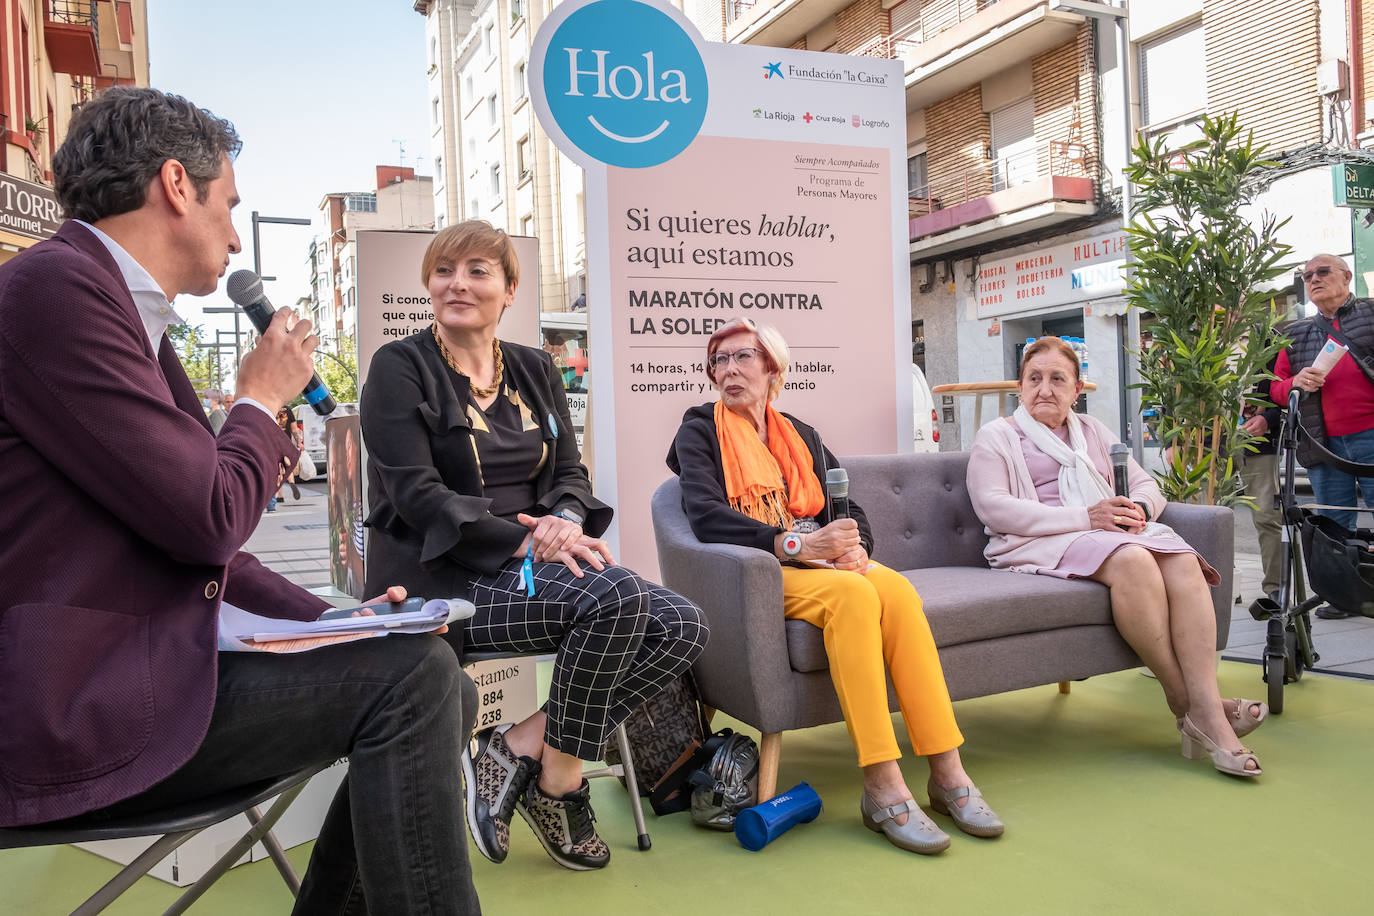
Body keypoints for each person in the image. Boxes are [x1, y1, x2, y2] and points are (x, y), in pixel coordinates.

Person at [0, 87, 480, 915]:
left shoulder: (114, 307)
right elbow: (209, 516)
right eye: (230, 205)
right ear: (177, 186)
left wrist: (336, 621)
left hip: (147, 667)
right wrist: (257, 402)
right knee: (415, 684)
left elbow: (203, 539)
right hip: (80, 701)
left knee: (440, 679)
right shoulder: (54, 292)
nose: (232, 234)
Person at [361, 219, 709, 871]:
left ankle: (524, 744)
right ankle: (560, 783)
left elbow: (569, 474)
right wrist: (529, 545)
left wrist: (567, 520)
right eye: (444, 271)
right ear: (428, 285)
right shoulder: (400, 368)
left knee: (684, 625)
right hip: (444, 578)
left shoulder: (534, 367)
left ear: (510, 289)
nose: (457, 283)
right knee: (615, 596)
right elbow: (417, 496)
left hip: (532, 570)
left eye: (477, 271)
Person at [667, 318, 1003, 856]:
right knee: (854, 595)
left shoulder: (800, 434)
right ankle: (882, 782)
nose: (728, 370)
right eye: (719, 361)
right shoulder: (699, 430)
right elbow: (706, 518)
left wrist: (856, 547)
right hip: (758, 573)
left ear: (772, 367)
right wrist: (798, 546)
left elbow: (847, 510)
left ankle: (947, 772)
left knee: (893, 590)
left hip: (818, 567)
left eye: (742, 357)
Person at [968, 337, 1266, 778]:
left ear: (1077, 390)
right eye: (1034, 379)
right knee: (1132, 560)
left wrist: (1138, 511)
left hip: (1104, 532)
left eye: (1057, 379)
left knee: (1182, 559)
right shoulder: (998, 435)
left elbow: (1148, 485)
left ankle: (1203, 707)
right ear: (1020, 386)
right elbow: (993, 506)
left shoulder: (1090, 430)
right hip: (1036, 540)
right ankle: (1190, 706)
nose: (1044, 389)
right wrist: (1086, 517)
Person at [1270, 254, 1374, 618]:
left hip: (1372, 435)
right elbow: (1273, 388)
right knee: (1334, 523)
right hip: (1322, 443)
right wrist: (1294, 383)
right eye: (1307, 274)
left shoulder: (1372, 313)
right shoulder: (1292, 334)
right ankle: (1346, 597)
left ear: (1346, 277)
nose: (1313, 279)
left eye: (1322, 272)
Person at [1238, 358, 1283, 603]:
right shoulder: (1200, 325)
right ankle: (1219, 585)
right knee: (1211, 515)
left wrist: (1269, 419)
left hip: (1258, 441)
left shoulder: (1268, 341)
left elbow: (1286, 394)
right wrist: (1173, 442)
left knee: (1267, 514)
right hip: (1210, 439)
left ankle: (1276, 588)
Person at [271, 404, 304, 508]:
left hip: (273, 443)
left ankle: (280, 496)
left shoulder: (270, 407)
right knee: (288, 465)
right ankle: (291, 481)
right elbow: (294, 429)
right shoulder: (288, 410)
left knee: (277, 469)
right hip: (286, 442)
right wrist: (299, 442)